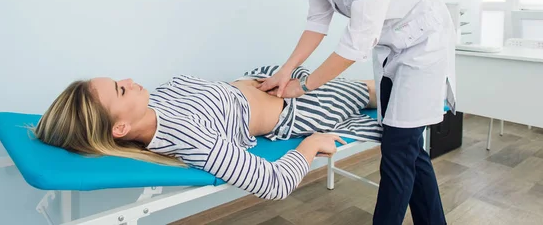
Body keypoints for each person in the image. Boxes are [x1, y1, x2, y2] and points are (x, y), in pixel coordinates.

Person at [258, 0, 456, 224]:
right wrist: (286, 70)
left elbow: (357, 41)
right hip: (391, 48)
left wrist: (305, 87)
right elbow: (317, 23)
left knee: (397, 152)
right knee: (408, 149)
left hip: (423, 46)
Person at [34, 65, 381, 200]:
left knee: (349, 80)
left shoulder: (153, 105)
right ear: (120, 128)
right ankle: (430, 93)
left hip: (267, 79)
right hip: (297, 111)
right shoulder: (188, 137)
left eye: (118, 81)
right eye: (120, 91)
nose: (127, 80)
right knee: (371, 90)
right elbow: (274, 183)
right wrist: (309, 145)